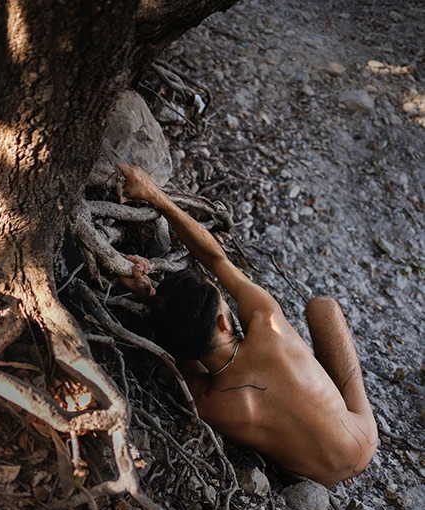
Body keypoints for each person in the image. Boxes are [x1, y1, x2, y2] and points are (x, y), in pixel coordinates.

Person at [119, 164, 378, 488]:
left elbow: (182, 354)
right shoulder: (265, 323)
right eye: (221, 298)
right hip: (363, 440)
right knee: (322, 307)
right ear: (223, 322)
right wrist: (156, 197)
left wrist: (148, 295)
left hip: (320, 477)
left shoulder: (209, 403)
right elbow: (217, 259)